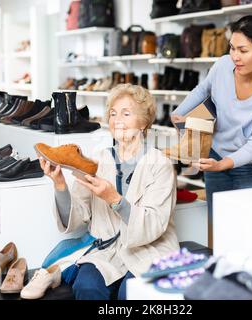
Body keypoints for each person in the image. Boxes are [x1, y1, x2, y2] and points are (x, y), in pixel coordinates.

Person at [40, 84, 179, 300]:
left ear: (143, 122)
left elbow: (153, 224)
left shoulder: (160, 164)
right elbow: (76, 217)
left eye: (126, 113)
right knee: (87, 286)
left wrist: (114, 199)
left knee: (131, 292)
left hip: (149, 249)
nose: (117, 120)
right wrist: (59, 185)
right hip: (107, 250)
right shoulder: (99, 160)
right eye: (113, 114)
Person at [171, 15, 252, 218]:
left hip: (249, 169)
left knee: (246, 230)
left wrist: (222, 164)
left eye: (243, 50)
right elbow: (203, 89)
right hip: (214, 156)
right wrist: (179, 113)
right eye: (232, 48)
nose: (235, 56)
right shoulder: (224, 65)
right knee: (218, 226)